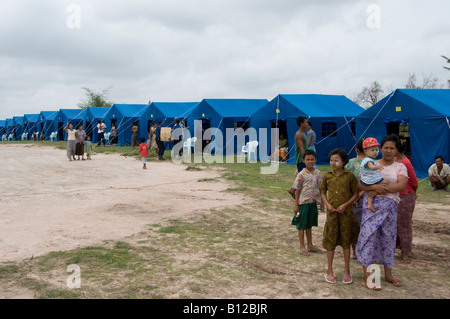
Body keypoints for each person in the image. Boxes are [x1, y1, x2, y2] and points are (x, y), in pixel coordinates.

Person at [356, 134, 408, 290]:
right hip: (372, 207)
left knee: (388, 238)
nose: (388, 150)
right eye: (385, 147)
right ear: (380, 149)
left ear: (396, 150)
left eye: (392, 148)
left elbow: (401, 186)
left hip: (390, 207)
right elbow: (361, 184)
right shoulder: (371, 163)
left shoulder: (400, 166)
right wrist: (374, 188)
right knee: (369, 236)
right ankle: (368, 277)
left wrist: (380, 190)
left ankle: (388, 274)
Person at [320, 148, 359, 284]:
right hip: (331, 215)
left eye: (336, 160)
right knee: (330, 243)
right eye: (331, 160)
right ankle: (329, 271)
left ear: (343, 161)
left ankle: (347, 271)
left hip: (346, 215)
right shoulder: (327, 175)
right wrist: (326, 204)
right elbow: (323, 192)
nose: (333, 163)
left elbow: (355, 193)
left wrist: (345, 205)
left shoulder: (349, 176)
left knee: (346, 242)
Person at [291, 150, 324, 255]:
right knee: (301, 225)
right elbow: (297, 189)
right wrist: (296, 204)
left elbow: (321, 188)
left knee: (309, 224)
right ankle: (302, 246)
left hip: (313, 202)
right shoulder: (301, 174)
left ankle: (310, 245)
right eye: (308, 159)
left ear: (315, 160)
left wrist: (322, 203)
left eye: (312, 159)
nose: (310, 161)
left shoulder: (318, 173)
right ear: (303, 160)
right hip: (303, 203)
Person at [396, 136, 419, 263]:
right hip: (395, 195)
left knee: (404, 224)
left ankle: (405, 251)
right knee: (394, 223)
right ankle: (398, 247)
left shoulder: (405, 163)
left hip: (405, 195)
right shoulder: (395, 161)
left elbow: (415, 182)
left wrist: (412, 193)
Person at [345, 137, 366, 261]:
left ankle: (354, 252)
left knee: (353, 225)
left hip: (351, 197)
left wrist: (353, 196)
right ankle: (363, 252)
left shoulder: (350, 163)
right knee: (364, 226)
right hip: (366, 196)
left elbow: (346, 180)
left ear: (356, 149)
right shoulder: (373, 163)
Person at [360, 137, 389, 212]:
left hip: (368, 179)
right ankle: (376, 192)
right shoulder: (369, 160)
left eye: (376, 149)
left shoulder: (369, 159)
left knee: (380, 183)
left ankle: (370, 203)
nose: (375, 152)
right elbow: (371, 167)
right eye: (372, 150)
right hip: (370, 180)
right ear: (365, 151)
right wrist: (377, 167)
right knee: (386, 181)